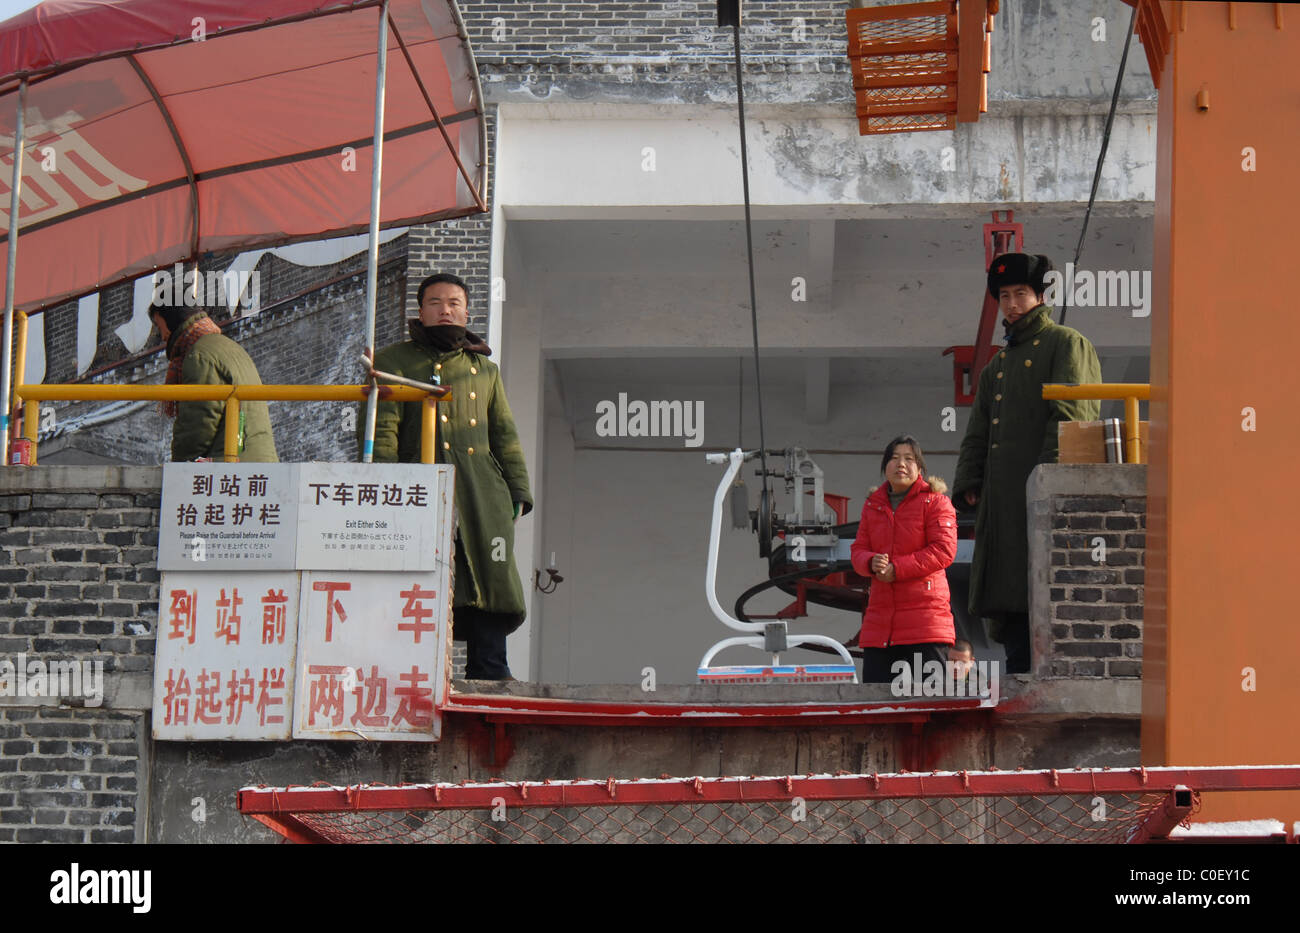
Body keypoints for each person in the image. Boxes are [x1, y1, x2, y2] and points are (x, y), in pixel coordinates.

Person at [361, 272, 533, 680]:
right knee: (424, 575)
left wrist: (518, 489)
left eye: (454, 302)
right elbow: (381, 431)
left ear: (466, 310)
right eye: (435, 302)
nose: (445, 309)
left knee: (492, 573)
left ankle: (490, 667)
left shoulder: (483, 369)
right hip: (417, 483)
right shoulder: (392, 361)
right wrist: (384, 486)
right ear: (421, 310)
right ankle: (419, 669)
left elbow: (503, 431)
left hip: (481, 486)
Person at [952, 253, 1101, 673]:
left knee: (1040, 590)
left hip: (1038, 500)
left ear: (1040, 295)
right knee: (1008, 595)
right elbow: (977, 433)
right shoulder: (995, 367)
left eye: (1021, 293)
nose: (1013, 303)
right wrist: (971, 483)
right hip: (1001, 504)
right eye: (1005, 296)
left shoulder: (1066, 343)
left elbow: (1072, 420)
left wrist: (1047, 484)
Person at [850, 435, 958, 683]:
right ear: (885, 466)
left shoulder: (936, 502)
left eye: (909, 458)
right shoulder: (872, 506)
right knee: (877, 707)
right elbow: (858, 550)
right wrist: (870, 562)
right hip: (880, 628)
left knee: (928, 706)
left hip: (926, 626)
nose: (901, 464)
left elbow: (943, 550)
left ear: (919, 468)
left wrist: (897, 568)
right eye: (894, 458)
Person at [149, 301, 278, 463]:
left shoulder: (199, 354)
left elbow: (199, 422)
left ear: (171, 319)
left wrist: (179, 466)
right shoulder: (227, 346)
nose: (163, 336)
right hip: (256, 458)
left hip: (229, 463)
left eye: (159, 327)